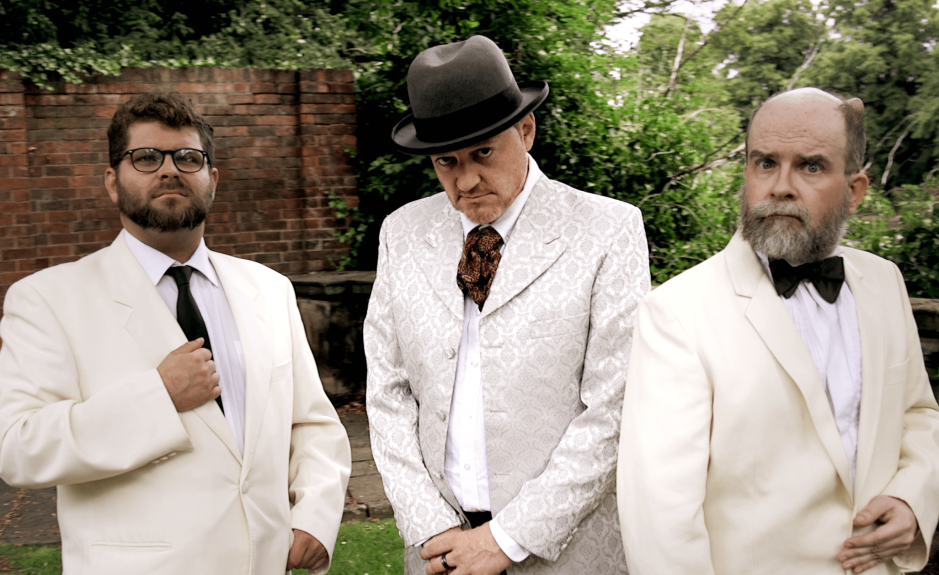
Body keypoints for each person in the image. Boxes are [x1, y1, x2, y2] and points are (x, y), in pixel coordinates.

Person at [0, 92, 351, 575]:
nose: (169, 170)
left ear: (213, 179)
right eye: (145, 158)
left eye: (188, 158)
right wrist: (158, 396)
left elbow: (310, 423)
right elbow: (19, 446)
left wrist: (315, 516)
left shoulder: (269, 289)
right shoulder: (47, 299)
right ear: (112, 181)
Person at [617, 87, 939, 574]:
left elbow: (919, 415)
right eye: (765, 163)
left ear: (854, 190)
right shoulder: (676, 313)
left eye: (810, 166)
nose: (780, 186)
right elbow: (660, 517)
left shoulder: (884, 282)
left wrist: (912, 499)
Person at [364, 35, 650, 575]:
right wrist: (431, 526)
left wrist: (510, 536)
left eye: (483, 153)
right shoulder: (401, 234)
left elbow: (615, 406)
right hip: (437, 555)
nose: (466, 180)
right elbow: (387, 392)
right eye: (445, 161)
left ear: (526, 130)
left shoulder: (609, 230)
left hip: (565, 551)